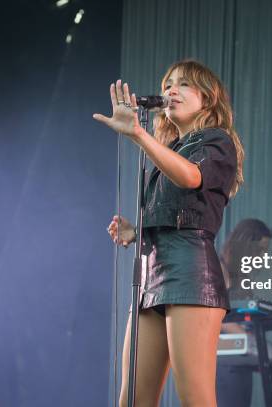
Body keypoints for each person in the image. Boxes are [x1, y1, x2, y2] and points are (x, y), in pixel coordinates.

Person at [93, 59, 244, 407]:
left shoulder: (217, 142)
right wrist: (137, 231)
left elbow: (191, 177)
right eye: (168, 84)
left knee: (195, 398)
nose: (171, 90)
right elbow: (176, 208)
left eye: (184, 84)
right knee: (133, 400)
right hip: (151, 274)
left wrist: (138, 135)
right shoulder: (171, 149)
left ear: (207, 99)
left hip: (191, 273)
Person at [216, 218, 272, 407]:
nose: (263, 256)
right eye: (261, 250)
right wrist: (248, 336)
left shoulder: (239, 277)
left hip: (236, 359)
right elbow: (216, 317)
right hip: (218, 363)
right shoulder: (218, 269)